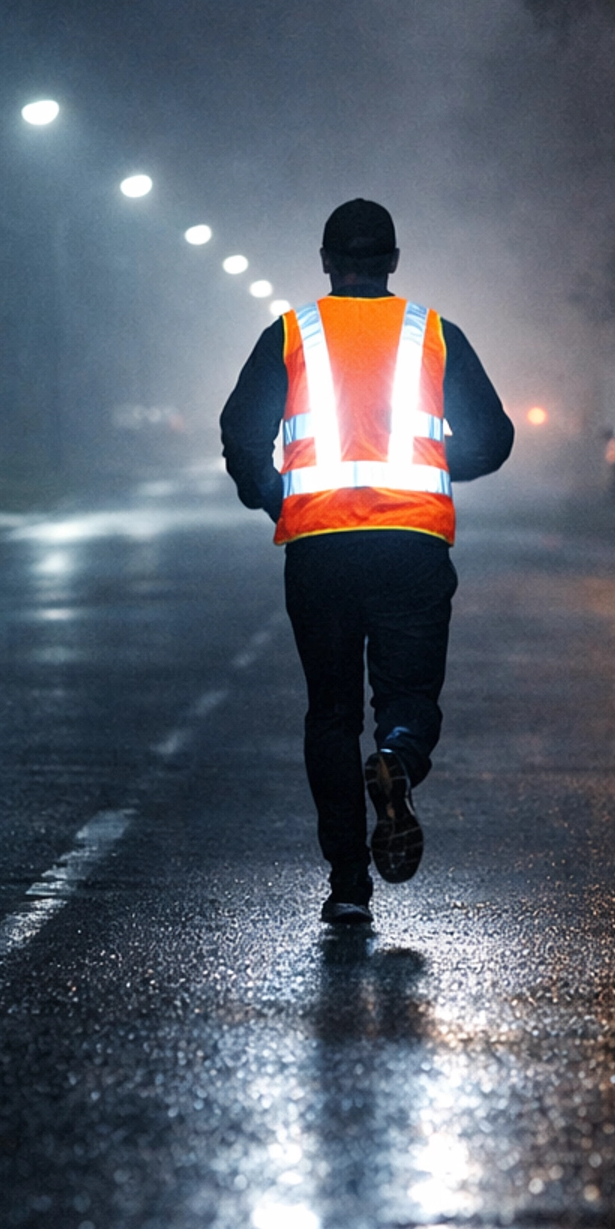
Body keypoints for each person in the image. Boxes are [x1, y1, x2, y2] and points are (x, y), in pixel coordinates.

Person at [220, 199, 514, 926]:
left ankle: (349, 883)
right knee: (407, 695)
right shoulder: (436, 333)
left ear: (326, 262)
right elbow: (495, 436)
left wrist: (272, 497)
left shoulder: (290, 332)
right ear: (392, 263)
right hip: (411, 544)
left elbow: (239, 429)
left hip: (318, 549)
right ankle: (399, 762)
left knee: (330, 713)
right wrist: (443, 468)